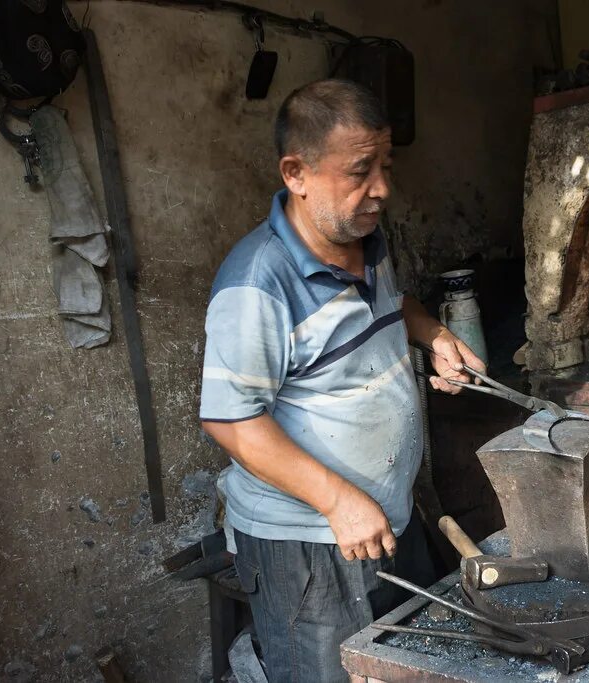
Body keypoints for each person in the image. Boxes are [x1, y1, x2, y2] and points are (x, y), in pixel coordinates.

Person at [199, 79, 485, 682]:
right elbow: (229, 418)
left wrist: (434, 335)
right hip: (309, 547)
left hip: (385, 520)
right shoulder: (258, 282)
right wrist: (337, 500)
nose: (382, 188)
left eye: (385, 165)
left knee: (403, 667)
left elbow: (391, 306)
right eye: (361, 170)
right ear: (296, 173)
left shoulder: (367, 240)